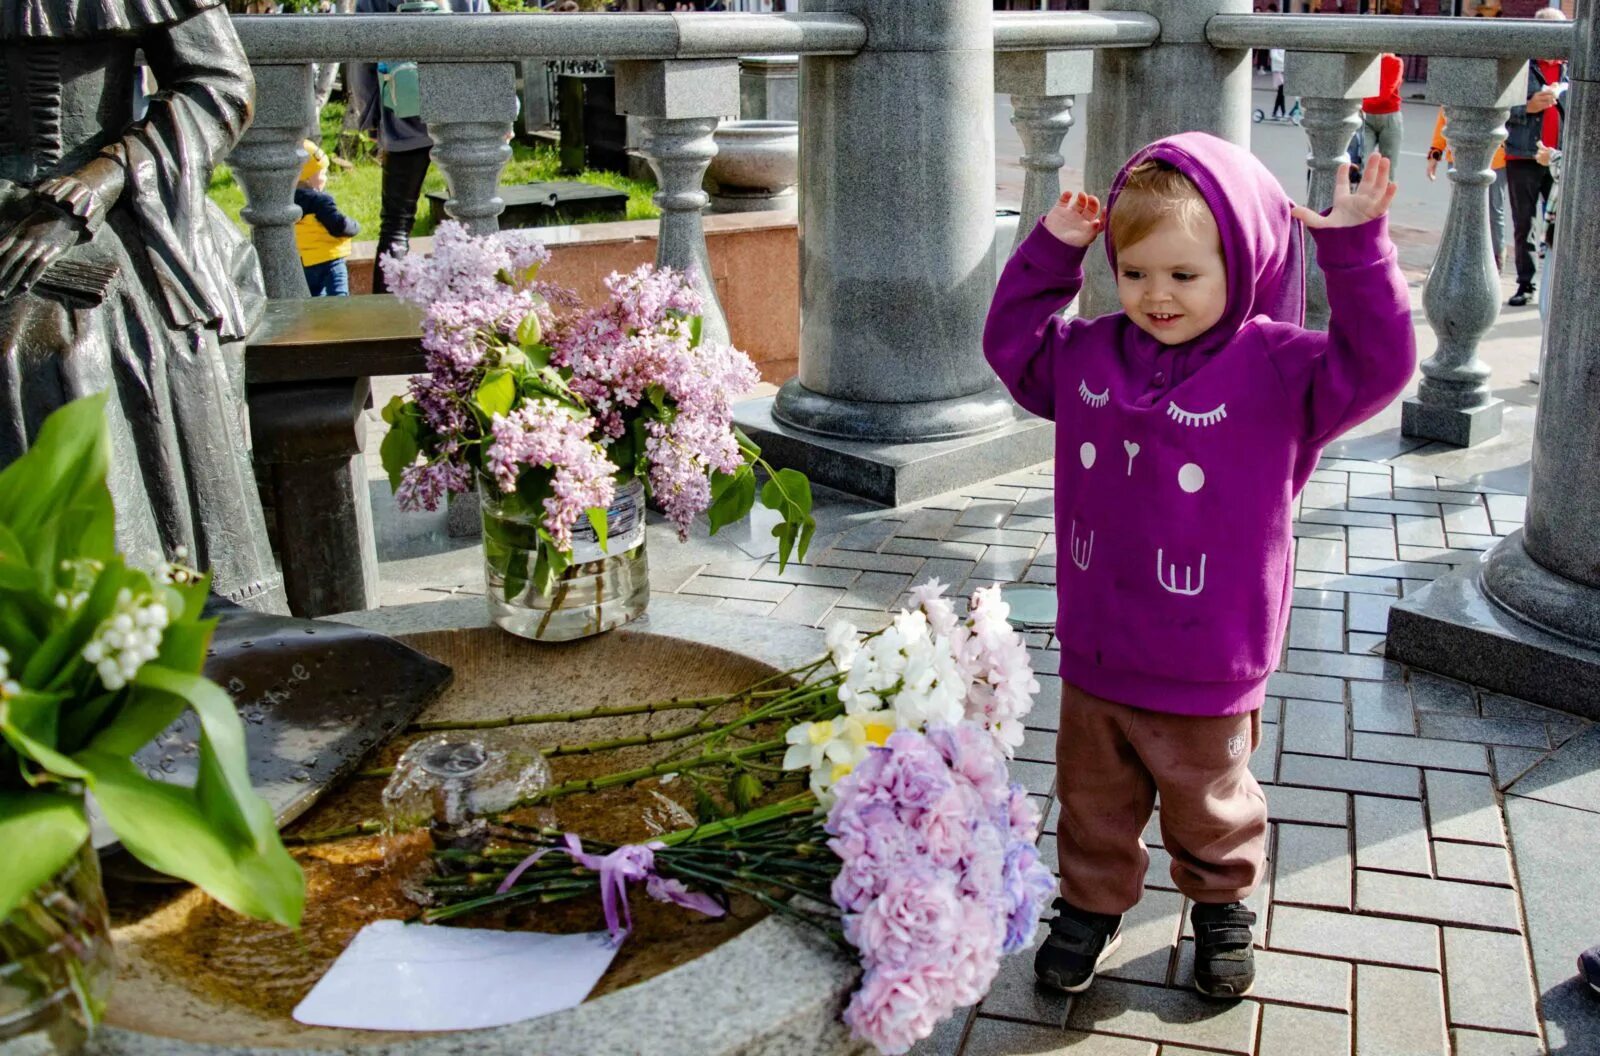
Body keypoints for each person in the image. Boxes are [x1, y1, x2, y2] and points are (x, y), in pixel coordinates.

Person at [983, 135, 1415, 1000]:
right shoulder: (1090, 355)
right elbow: (1014, 349)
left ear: (1242, 263)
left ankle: (1221, 905)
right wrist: (1051, 255)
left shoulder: (1280, 366)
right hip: (1101, 643)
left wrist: (1356, 250)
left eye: (1185, 275)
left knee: (1208, 798)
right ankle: (1089, 905)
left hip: (1209, 652)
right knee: (1093, 796)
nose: (1157, 296)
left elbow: (1380, 364)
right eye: (1136, 273)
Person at [0, 0, 284, 610]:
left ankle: (112, 622)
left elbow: (219, 86)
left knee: (49, 341)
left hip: (99, 203)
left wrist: (97, 182)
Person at [348, 0, 491, 295]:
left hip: (402, 115)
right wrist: (498, 117)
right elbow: (489, 43)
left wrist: (372, 117)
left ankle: (384, 318)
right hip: (461, 114)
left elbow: (362, 59)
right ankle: (477, 310)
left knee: (396, 224)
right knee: (472, 215)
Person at [1503, 9, 1566, 307]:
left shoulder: (1572, 69)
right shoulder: (1521, 67)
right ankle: (1525, 284)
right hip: (1524, 155)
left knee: (1563, 222)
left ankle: (1559, 281)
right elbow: (1499, 107)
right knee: (1524, 223)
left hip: (1561, 159)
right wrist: (1527, 107)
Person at [1427, 108, 1507, 274]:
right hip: (1459, 156)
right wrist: (1435, 151)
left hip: (1494, 158)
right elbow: (1445, 115)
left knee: (1493, 212)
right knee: (1461, 212)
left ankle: (1496, 263)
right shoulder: (1455, 85)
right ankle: (1461, 262)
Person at [293, 141, 360, 297]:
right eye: (322, 173)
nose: (325, 178)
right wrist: (355, 226)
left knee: (315, 300)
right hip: (330, 260)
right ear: (308, 177)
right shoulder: (320, 201)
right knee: (339, 298)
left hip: (305, 262)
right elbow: (338, 226)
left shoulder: (287, 203)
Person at [1359, 53, 1404, 166]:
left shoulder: (1395, 62)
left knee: (1387, 167)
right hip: (1366, 116)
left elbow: (1385, 93)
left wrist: (1360, 103)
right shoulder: (1365, 59)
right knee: (1364, 164)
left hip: (1389, 117)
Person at [1270, 48, 1287, 120]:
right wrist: (1284, 61)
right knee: (1281, 93)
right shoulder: (1274, 47)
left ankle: (1275, 112)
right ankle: (1283, 112)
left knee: (1280, 94)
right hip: (1277, 70)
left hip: (1283, 70)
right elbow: (1273, 56)